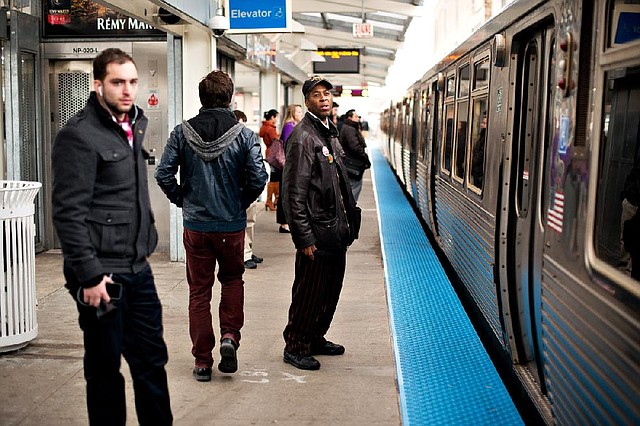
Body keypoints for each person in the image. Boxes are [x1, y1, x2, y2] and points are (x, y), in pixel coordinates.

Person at [51, 48, 172, 425]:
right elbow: (68, 212)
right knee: (105, 370)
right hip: (102, 274)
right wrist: (88, 275)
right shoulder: (79, 136)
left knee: (152, 362)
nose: (127, 90)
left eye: (133, 82)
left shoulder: (135, 124)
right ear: (97, 83)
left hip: (138, 267)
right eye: (118, 82)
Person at [155, 71, 267, 382]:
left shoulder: (182, 132)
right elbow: (259, 178)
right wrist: (238, 204)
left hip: (196, 226)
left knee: (199, 292)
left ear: (202, 98)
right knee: (232, 281)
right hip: (230, 227)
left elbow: (163, 174)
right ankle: (229, 337)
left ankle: (202, 361)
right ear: (229, 98)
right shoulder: (245, 136)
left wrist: (183, 200)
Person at [281, 76, 362, 370]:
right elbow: (293, 193)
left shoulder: (328, 132)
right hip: (317, 233)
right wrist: (304, 238)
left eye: (327, 93)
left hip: (334, 231)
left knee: (329, 291)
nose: (324, 98)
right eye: (317, 95)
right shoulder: (304, 137)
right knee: (309, 293)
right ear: (307, 102)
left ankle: (315, 336)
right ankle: (296, 345)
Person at [234, 109, 264, 269]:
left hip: (249, 189)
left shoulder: (248, 140)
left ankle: (248, 251)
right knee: (243, 224)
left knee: (250, 223)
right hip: (239, 190)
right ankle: (244, 255)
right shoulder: (232, 143)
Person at [276, 104, 303, 233]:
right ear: (292, 113)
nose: (301, 113)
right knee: (285, 193)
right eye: (298, 111)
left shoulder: (295, 126)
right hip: (287, 165)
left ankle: (287, 221)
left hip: (292, 164)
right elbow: (289, 146)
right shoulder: (289, 126)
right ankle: (284, 222)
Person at [339, 109, 371, 202]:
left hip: (350, 163)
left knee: (352, 188)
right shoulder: (350, 129)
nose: (358, 119)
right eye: (356, 117)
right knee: (355, 188)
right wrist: (365, 158)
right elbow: (355, 147)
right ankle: (350, 211)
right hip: (352, 164)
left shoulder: (348, 128)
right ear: (350, 118)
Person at [260, 109, 280, 213]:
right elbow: (276, 141)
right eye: (276, 117)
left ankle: (271, 200)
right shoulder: (271, 129)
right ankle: (272, 200)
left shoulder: (265, 127)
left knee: (274, 176)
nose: (277, 119)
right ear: (272, 117)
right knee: (275, 177)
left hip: (269, 152)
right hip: (274, 153)